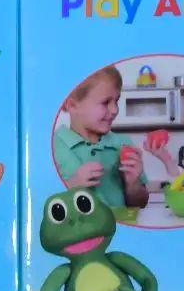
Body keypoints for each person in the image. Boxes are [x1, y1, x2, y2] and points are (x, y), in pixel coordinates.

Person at [54, 66, 148, 209]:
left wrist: (133, 184)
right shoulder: (53, 147)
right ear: (72, 105)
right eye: (105, 102)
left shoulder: (123, 143)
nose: (115, 110)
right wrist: (72, 185)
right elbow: (43, 205)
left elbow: (141, 203)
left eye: (116, 101)